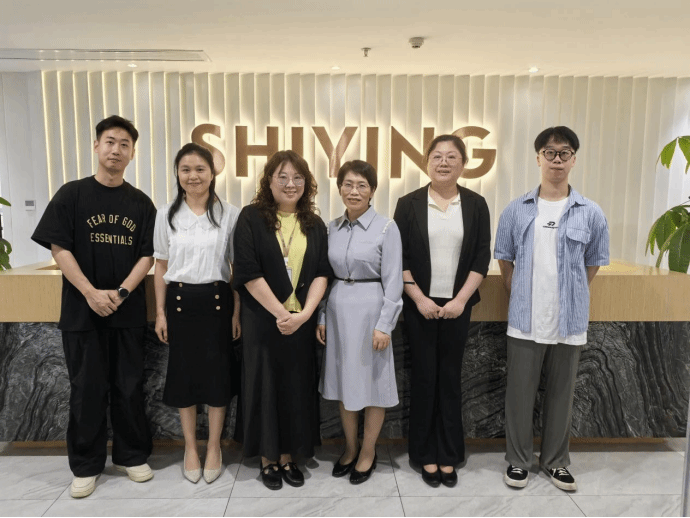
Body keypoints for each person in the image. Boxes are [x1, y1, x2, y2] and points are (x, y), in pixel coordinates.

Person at [31, 115, 155, 499]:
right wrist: (90, 293)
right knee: (86, 389)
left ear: (132, 153)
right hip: (81, 312)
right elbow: (59, 248)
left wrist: (120, 292)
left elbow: (148, 255)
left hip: (126, 312)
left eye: (124, 145)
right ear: (97, 146)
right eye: (110, 142)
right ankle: (85, 466)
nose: (116, 150)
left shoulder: (141, 203)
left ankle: (131, 456)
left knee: (129, 387)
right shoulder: (72, 194)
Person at [495, 126, 609, 491]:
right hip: (525, 318)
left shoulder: (591, 212)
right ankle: (518, 461)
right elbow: (504, 258)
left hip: (569, 321)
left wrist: (572, 293)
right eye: (549, 152)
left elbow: (594, 262)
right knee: (519, 395)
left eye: (564, 153)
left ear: (574, 160)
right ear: (538, 158)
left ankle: (556, 462)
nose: (556, 159)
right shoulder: (516, 209)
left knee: (562, 395)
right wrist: (518, 290)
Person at [393, 134, 491, 488]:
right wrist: (419, 298)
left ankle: (449, 453)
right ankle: (424, 453)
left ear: (463, 164)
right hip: (419, 306)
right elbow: (399, 257)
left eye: (452, 156)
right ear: (426, 162)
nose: (444, 162)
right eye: (437, 156)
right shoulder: (408, 203)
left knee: (449, 379)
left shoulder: (476, 204)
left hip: (457, 306)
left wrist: (461, 300)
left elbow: (481, 256)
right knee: (423, 378)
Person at [232, 150, 331, 491]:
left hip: (300, 323)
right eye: (283, 177)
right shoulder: (250, 218)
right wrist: (281, 313)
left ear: (307, 183)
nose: (291, 184)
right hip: (263, 320)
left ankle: (289, 456)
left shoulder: (314, 224)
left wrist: (304, 315)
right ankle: (268, 458)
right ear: (269, 181)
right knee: (264, 387)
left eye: (298, 178)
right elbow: (247, 272)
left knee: (296, 388)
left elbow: (322, 272)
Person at [153, 143, 241, 484]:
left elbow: (236, 269)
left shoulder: (230, 214)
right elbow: (161, 266)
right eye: (186, 169)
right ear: (177, 173)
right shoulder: (166, 214)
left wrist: (236, 313)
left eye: (200, 169)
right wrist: (160, 313)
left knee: (218, 377)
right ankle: (191, 447)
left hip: (218, 302)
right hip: (179, 303)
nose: (193, 176)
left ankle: (214, 446)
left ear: (212, 173)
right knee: (184, 377)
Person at [317, 160, 403, 485]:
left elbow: (394, 282)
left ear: (372, 191)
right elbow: (324, 277)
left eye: (362, 185)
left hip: (371, 311)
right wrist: (322, 316)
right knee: (345, 382)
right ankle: (351, 448)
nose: (354, 191)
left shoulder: (386, 228)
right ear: (340, 188)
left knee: (373, 385)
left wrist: (385, 325)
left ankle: (368, 451)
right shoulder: (331, 228)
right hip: (338, 310)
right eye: (348, 184)